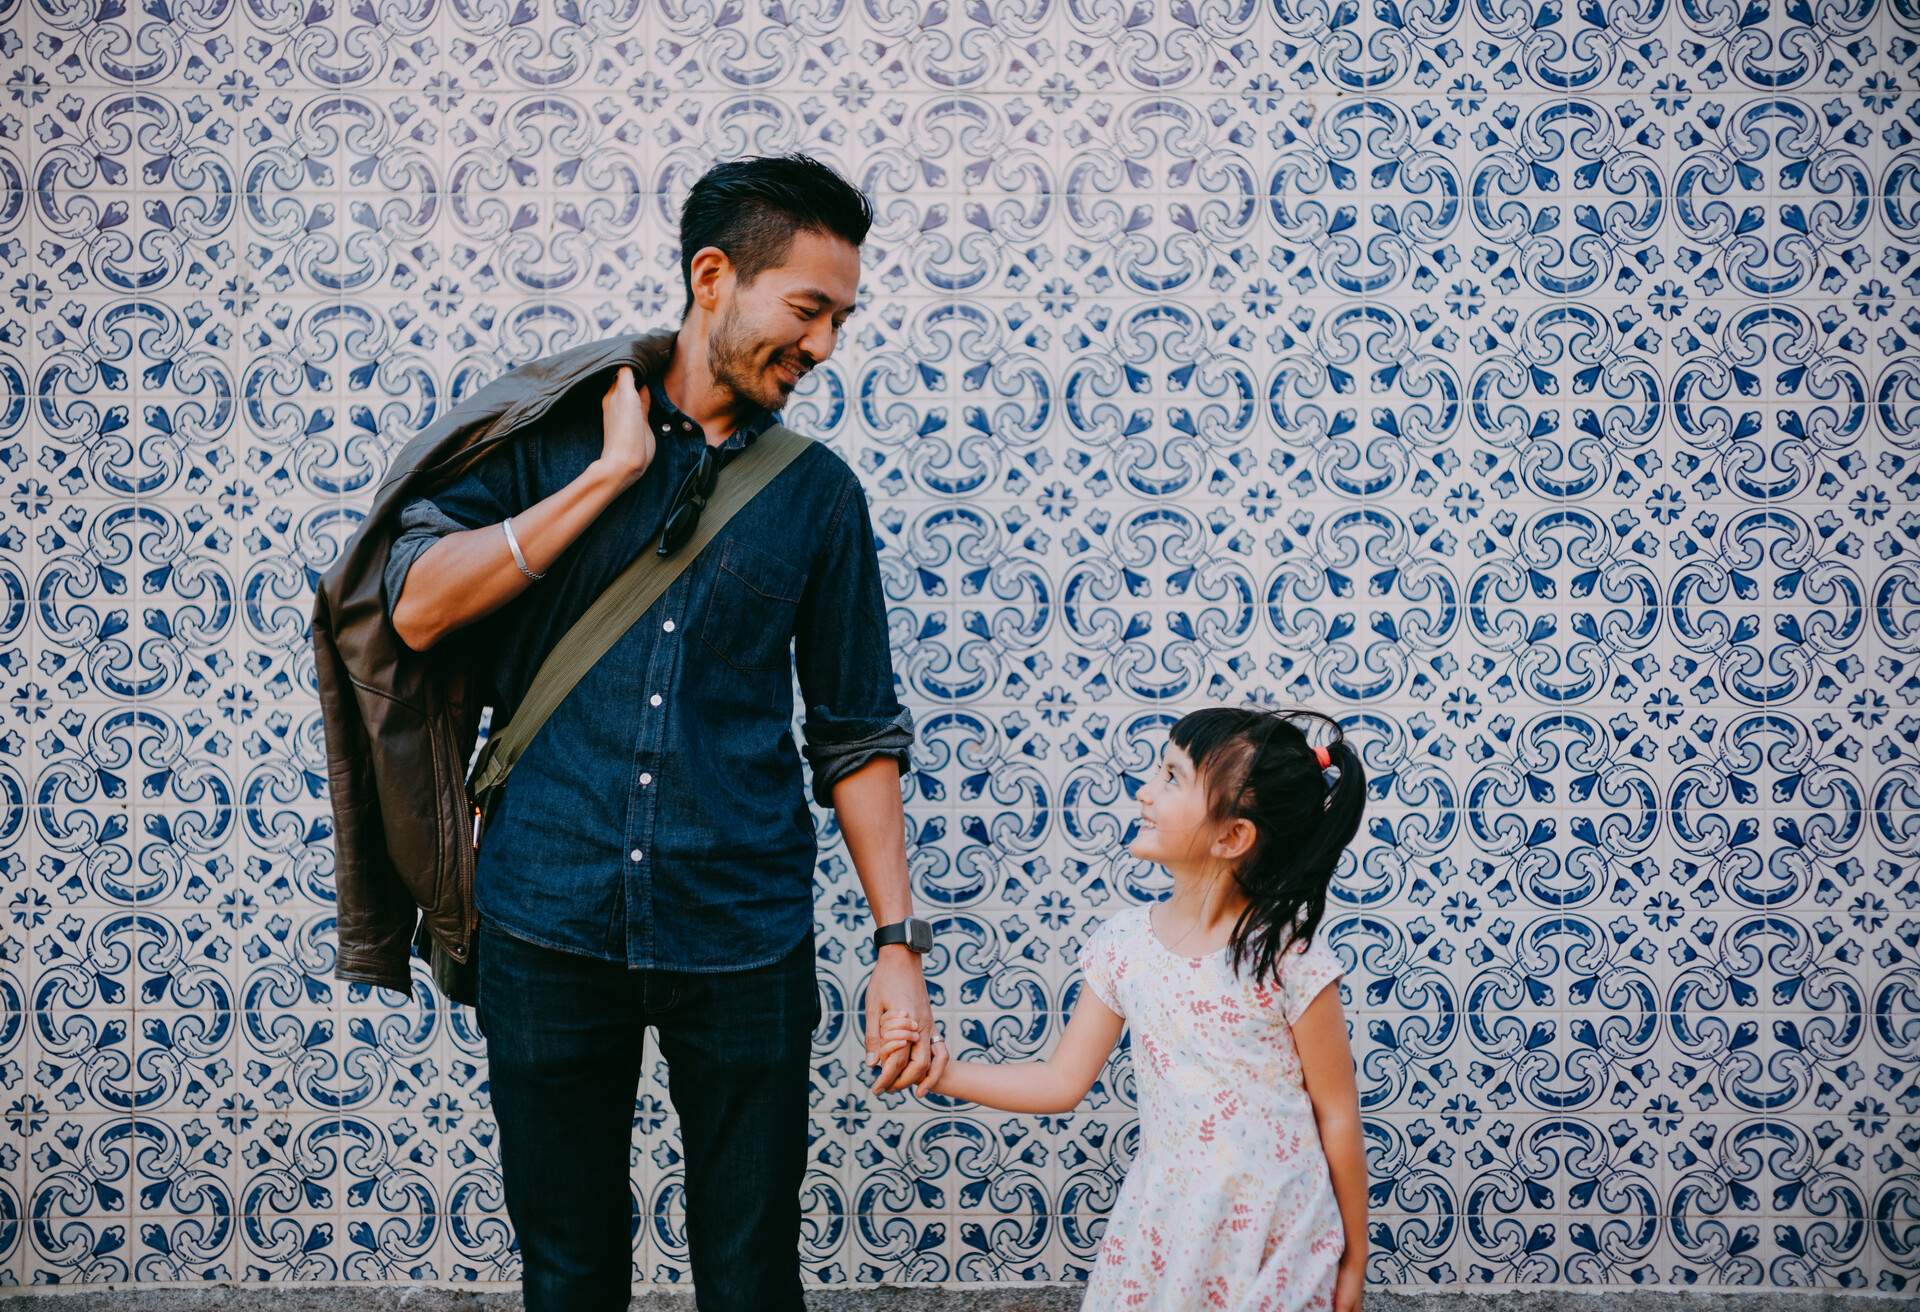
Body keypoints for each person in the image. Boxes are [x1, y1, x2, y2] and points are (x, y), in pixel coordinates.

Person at [382, 154, 940, 1311]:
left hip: (743, 933)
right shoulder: (548, 433)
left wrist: (899, 944)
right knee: (569, 1269)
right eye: (807, 309)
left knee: (748, 1274)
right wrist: (611, 475)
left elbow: (855, 730)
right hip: (547, 916)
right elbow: (417, 603)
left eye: (842, 317)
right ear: (711, 276)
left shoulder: (819, 495)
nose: (826, 345)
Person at [878, 707, 1370, 1311]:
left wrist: (1354, 1257)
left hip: (1279, 1231)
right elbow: (1059, 1081)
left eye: (1171, 777)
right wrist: (941, 1071)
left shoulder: (1287, 956)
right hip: (1167, 1226)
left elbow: (1338, 1115)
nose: (1144, 792)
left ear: (1232, 836)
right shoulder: (1124, 946)